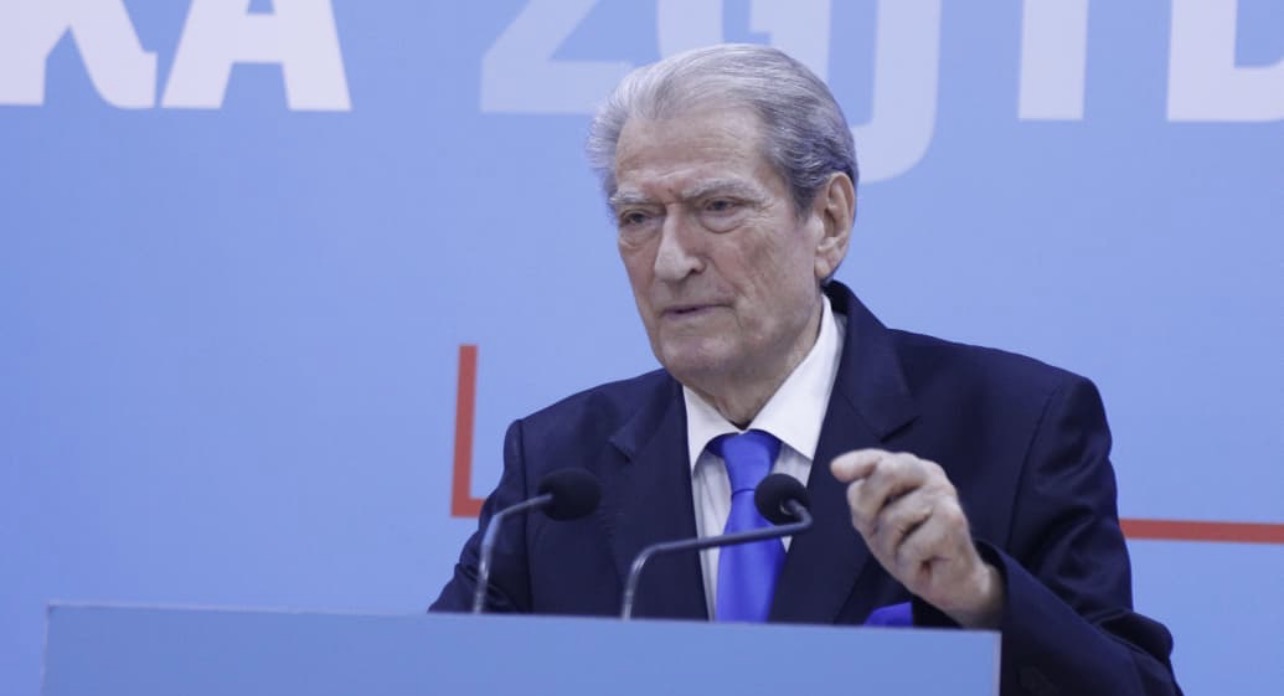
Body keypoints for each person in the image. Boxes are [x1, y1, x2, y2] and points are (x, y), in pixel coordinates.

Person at [431, 44, 1181, 694]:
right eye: (638, 218)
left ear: (828, 220)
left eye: (717, 206)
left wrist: (982, 597)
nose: (670, 260)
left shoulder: (1016, 425)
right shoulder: (555, 468)